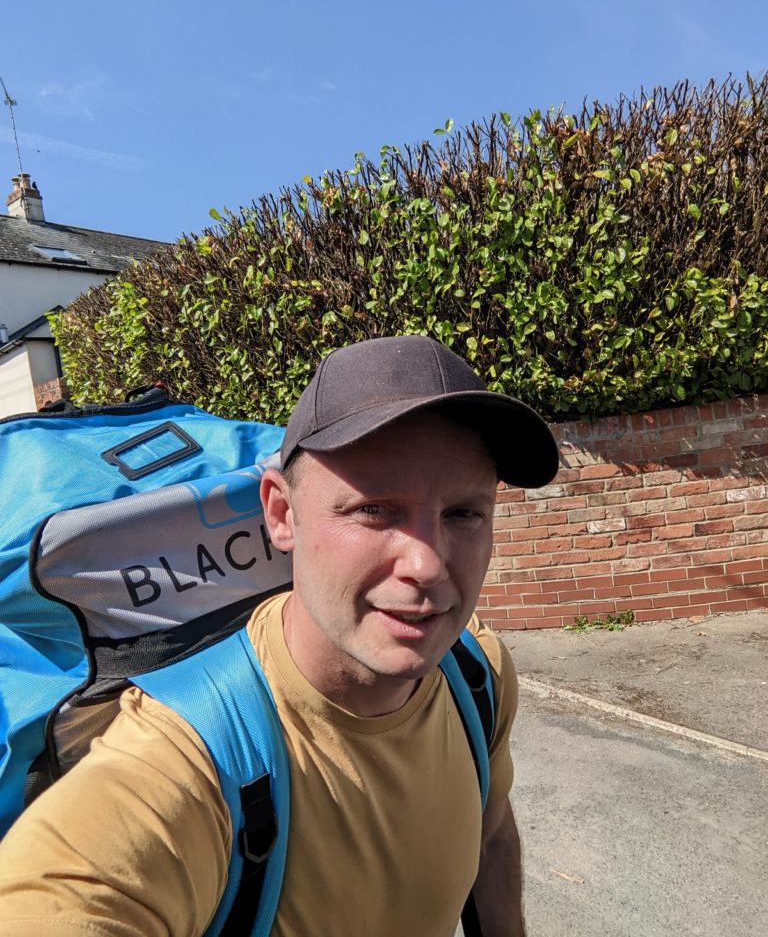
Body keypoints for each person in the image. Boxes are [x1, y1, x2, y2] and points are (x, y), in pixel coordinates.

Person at [0, 334, 559, 937]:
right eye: (374, 510)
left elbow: (492, 832)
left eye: (463, 513)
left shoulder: (476, 672)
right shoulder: (187, 753)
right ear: (281, 515)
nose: (427, 565)